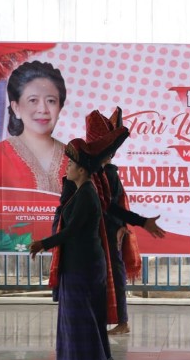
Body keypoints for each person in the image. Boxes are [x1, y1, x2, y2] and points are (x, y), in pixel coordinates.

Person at [29, 125, 128, 360]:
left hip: (82, 264)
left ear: (82, 170)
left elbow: (71, 231)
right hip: (81, 262)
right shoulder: (81, 192)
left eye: (71, 164)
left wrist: (43, 243)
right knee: (81, 316)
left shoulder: (86, 194)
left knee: (81, 316)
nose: (66, 168)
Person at [54, 108, 166, 335]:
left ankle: (117, 322)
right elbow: (69, 213)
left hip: (104, 233)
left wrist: (135, 223)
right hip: (84, 237)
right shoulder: (79, 175)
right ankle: (92, 325)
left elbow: (111, 207)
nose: (111, 155)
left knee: (111, 274)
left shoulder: (107, 175)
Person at [0, 60, 68, 194]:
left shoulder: (75, 158)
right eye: (33, 100)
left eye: (51, 101)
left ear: (59, 108)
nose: (43, 109)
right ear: (16, 108)